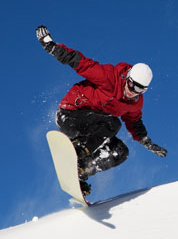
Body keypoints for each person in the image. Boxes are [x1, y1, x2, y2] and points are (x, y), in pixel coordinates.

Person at [36, 26, 168, 196]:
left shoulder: (135, 103)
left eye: (139, 90)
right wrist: (51, 46)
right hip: (71, 115)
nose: (132, 91)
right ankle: (79, 152)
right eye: (131, 85)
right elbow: (80, 62)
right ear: (127, 78)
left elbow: (135, 121)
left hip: (94, 131)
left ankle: (82, 169)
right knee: (112, 123)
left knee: (120, 152)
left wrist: (146, 141)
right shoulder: (109, 77)